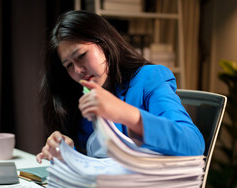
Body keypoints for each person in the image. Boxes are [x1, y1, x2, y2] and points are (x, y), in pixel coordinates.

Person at [36, 10, 205, 163]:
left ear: (104, 43)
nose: (78, 70)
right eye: (69, 65)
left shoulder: (149, 78)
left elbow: (193, 143)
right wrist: (68, 152)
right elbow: (93, 160)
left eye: (81, 55)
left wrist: (127, 114)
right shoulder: (79, 97)